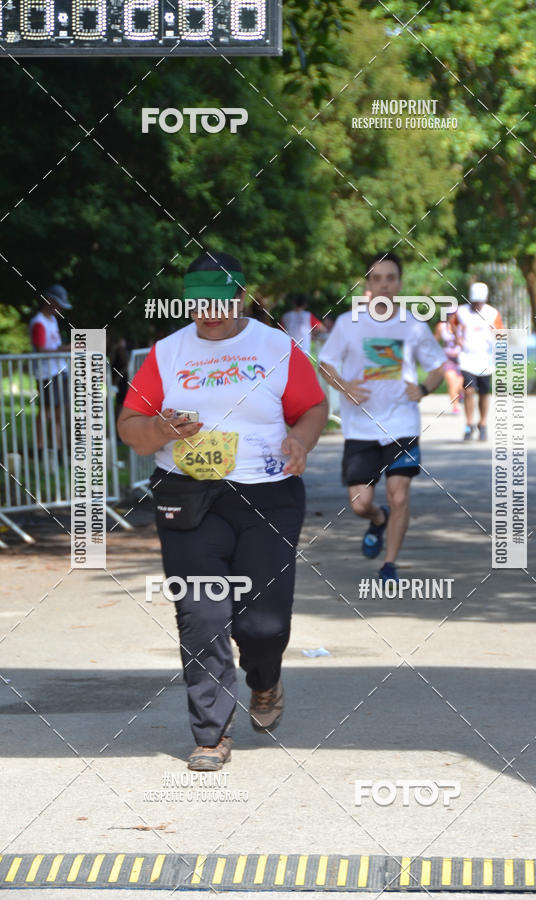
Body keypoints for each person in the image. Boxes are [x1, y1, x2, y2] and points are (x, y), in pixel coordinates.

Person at [118, 252, 328, 771]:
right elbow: (130, 425)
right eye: (199, 302)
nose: (209, 312)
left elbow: (312, 407)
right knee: (201, 612)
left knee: (263, 625)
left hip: (268, 495)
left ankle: (265, 679)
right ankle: (211, 734)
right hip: (188, 495)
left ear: (240, 296)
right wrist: (161, 429)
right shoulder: (168, 353)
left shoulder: (275, 346)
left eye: (220, 300)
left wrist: (300, 440)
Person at [318, 252, 445, 584]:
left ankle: (389, 565)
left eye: (390, 278)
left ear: (399, 284)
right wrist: (344, 386)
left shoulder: (414, 325)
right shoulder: (348, 324)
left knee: (399, 494)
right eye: (377, 278)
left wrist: (424, 389)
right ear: (368, 285)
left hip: (402, 423)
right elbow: (326, 363)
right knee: (361, 503)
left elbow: (437, 367)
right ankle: (377, 519)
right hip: (360, 425)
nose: (384, 284)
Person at [452, 281, 504, 441]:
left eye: (479, 302)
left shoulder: (492, 313)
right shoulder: (461, 311)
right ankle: (469, 424)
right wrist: (457, 337)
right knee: (468, 391)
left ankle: (482, 423)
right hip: (467, 358)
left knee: (483, 394)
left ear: (485, 300)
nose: (476, 305)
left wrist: (495, 333)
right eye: (474, 301)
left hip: (485, 360)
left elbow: (502, 334)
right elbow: (452, 323)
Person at [29, 284, 72, 453]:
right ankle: (40, 448)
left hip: (60, 370)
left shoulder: (53, 320)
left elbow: (53, 344)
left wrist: (63, 348)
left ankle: (57, 447)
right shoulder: (38, 322)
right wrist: (63, 349)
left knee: (59, 411)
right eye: (57, 303)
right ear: (49, 301)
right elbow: (40, 349)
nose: (59, 307)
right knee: (46, 410)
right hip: (46, 373)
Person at [434, 319, 463, 413]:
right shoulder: (441, 326)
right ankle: (455, 407)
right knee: (452, 383)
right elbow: (435, 340)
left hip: (462, 359)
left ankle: (460, 393)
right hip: (447, 359)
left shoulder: (463, 326)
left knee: (460, 385)